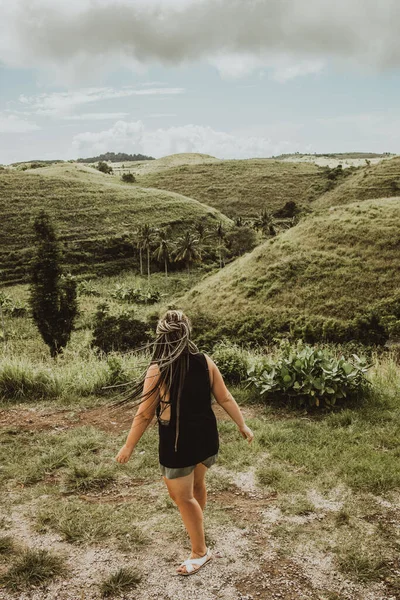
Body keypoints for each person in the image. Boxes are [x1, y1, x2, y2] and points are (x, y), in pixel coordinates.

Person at [114, 309, 254, 576]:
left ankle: (200, 551)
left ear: (160, 336)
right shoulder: (204, 361)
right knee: (196, 485)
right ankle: (196, 531)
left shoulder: (158, 369)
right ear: (187, 332)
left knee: (182, 496)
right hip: (206, 436)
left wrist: (128, 445)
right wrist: (242, 424)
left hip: (177, 441)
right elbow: (225, 398)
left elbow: (144, 413)